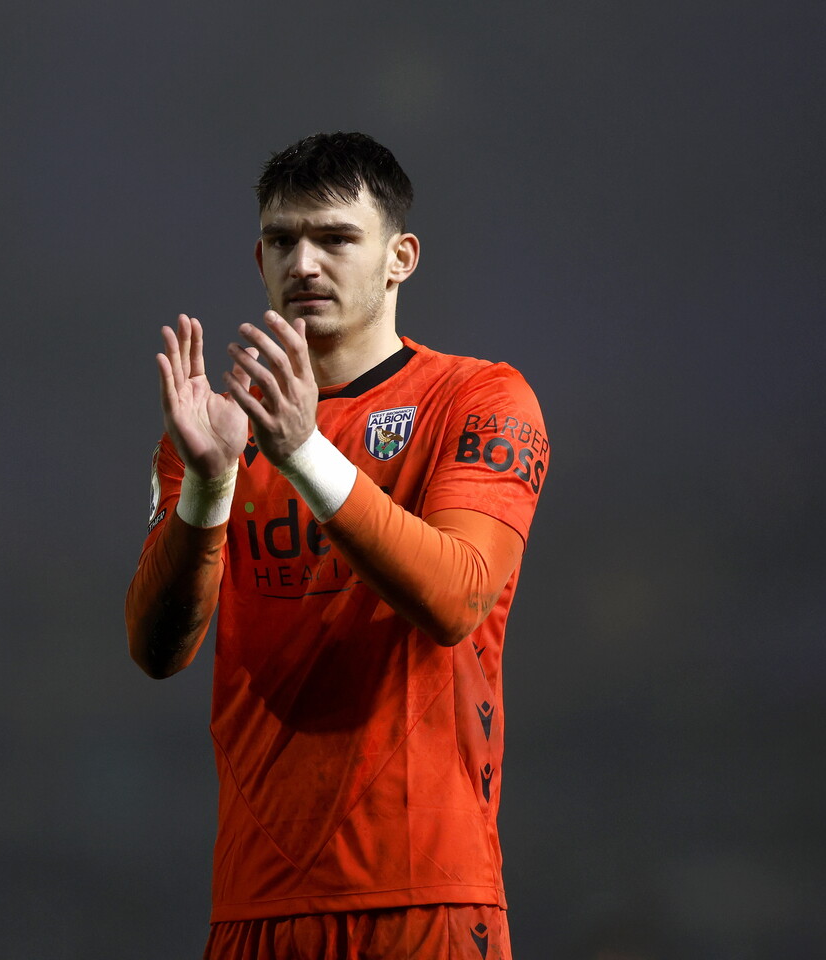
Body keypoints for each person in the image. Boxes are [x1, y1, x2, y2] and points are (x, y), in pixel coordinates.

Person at [125, 132, 549, 960]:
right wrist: (212, 484)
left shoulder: (479, 400)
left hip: (423, 891)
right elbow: (156, 649)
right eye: (283, 241)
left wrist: (305, 455)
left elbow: (458, 598)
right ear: (259, 258)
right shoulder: (212, 434)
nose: (305, 263)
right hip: (257, 901)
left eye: (336, 238)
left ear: (401, 258)